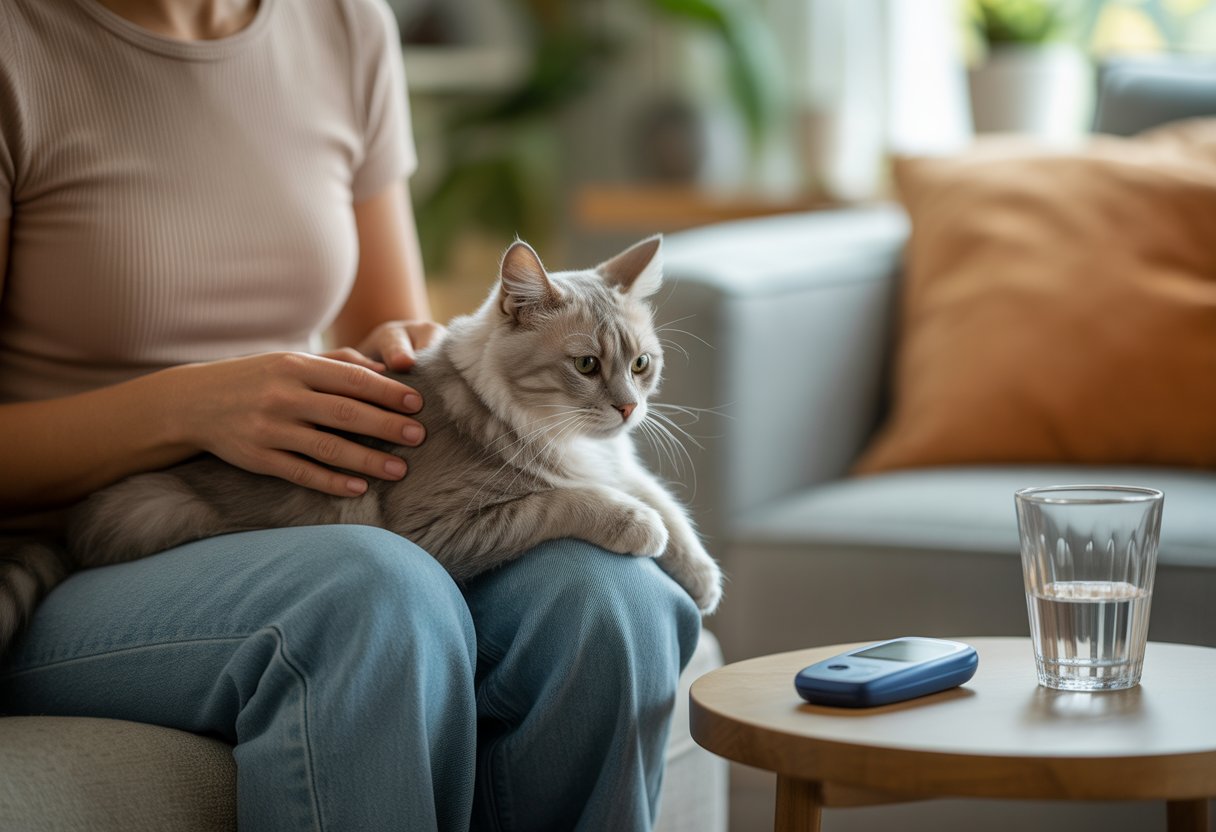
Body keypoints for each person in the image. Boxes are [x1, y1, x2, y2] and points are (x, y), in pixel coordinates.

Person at [0, 0, 701, 829]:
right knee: (376, 594)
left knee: (610, 603)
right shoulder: (20, 42)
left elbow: (390, 324)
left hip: (304, 507)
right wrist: (190, 407)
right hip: (86, 541)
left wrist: (407, 354)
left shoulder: (341, 23)